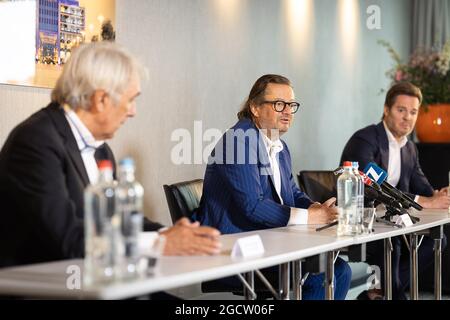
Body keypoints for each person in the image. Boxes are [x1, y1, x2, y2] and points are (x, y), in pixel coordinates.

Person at [0, 42, 221, 269]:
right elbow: (68, 241)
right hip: (44, 285)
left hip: (94, 279)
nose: (133, 111)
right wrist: (161, 243)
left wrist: (170, 233)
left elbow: (121, 221)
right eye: (131, 99)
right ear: (101, 99)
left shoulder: (101, 149)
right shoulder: (36, 142)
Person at [195, 74, 352, 300]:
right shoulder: (238, 141)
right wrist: (309, 217)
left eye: (291, 105)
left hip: (269, 241)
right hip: (233, 248)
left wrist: (316, 208)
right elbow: (252, 205)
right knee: (320, 274)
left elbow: (292, 192)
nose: (287, 111)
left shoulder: (279, 146)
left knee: (341, 270)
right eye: (279, 104)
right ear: (255, 108)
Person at [340, 81, 449, 300]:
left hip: (391, 221)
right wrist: (424, 201)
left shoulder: (409, 147)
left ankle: (378, 291)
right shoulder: (365, 140)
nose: (407, 117)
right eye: (401, 110)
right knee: (392, 245)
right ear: (386, 110)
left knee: (437, 239)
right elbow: (374, 186)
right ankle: (386, 291)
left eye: (413, 112)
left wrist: (439, 196)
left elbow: (422, 185)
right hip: (360, 220)